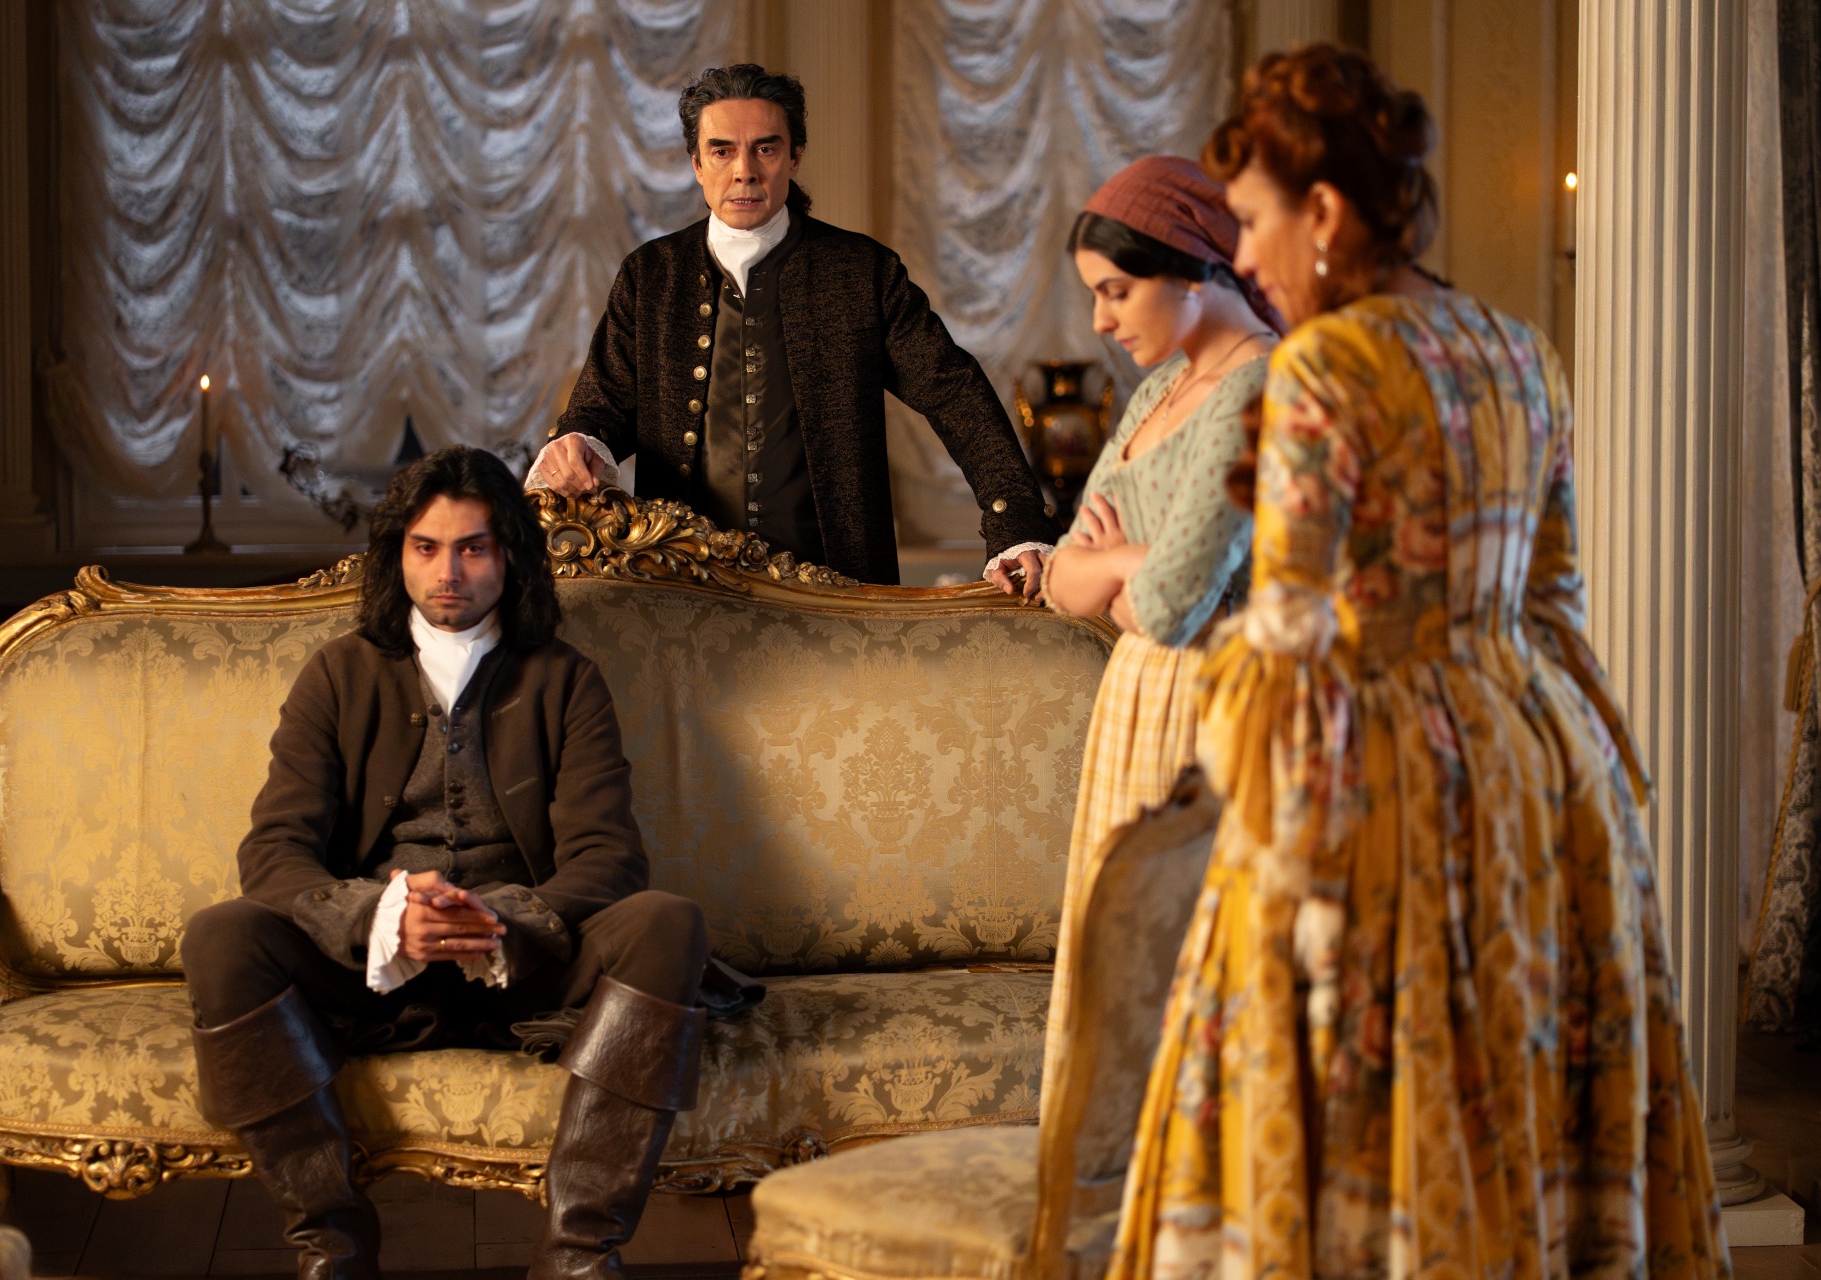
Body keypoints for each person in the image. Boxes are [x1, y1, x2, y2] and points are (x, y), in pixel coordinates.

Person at [1110, 46, 1730, 1280]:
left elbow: (1290, 639)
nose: (1242, 256)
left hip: (1377, 774)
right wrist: (1590, 782)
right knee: (1516, 1055)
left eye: (1252, 221)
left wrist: (1224, 790)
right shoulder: (1519, 350)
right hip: (1536, 765)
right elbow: (1556, 604)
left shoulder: (1325, 366)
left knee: (1348, 1091)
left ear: (1325, 211)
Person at [181, 447, 735, 1280]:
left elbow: (608, 857)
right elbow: (274, 852)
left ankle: (579, 1255)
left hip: (528, 969)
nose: (449, 572)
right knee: (222, 937)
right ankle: (332, 1247)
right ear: (398, 556)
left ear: (509, 556)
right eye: (427, 547)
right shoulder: (337, 673)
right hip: (370, 977)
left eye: (474, 548)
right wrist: (380, 916)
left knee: (668, 923)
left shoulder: (566, 680)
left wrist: (502, 920)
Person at [527, 63, 1058, 591]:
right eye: (722, 151)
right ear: (697, 164)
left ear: (794, 157)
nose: (744, 171)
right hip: (681, 588)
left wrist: (1016, 522)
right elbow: (601, 406)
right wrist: (578, 442)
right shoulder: (651, 275)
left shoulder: (860, 271)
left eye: (765, 148)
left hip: (838, 588)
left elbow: (953, 392)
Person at [1037, 156, 1281, 1080]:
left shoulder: (1258, 389)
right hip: (1133, 709)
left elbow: (1175, 607)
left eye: (1117, 291)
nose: (1101, 321)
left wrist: (1125, 567)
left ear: (1193, 268)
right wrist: (1123, 563)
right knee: (1121, 969)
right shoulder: (1156, 391)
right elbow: (1063, 578)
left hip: (1209, 710)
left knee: (1185, 978)